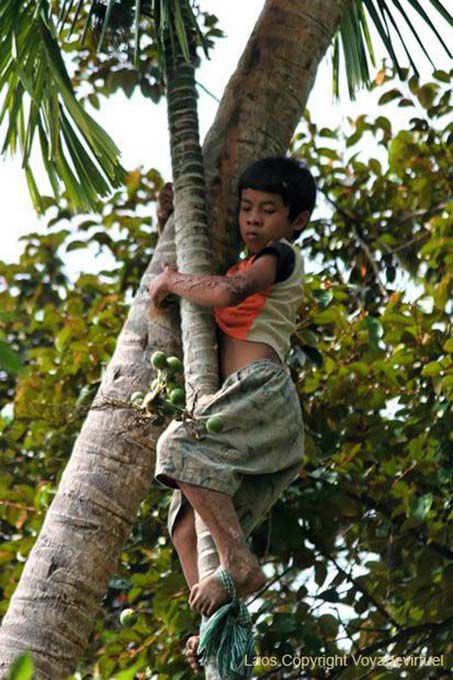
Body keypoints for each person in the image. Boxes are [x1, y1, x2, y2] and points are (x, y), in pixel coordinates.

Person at [149, 156, 316, 672]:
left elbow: (228, 293)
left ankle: (237, 563)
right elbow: (217, 287)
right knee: (181, 521)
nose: (253, 219)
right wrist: (171, 227)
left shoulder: (279, 257)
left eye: (268, 210)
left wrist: (172, 279)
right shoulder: (239, 261)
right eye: (246, 208)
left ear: (297, 221)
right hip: (240, 410)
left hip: (261, 393)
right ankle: (217, 624)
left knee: (176, 447)